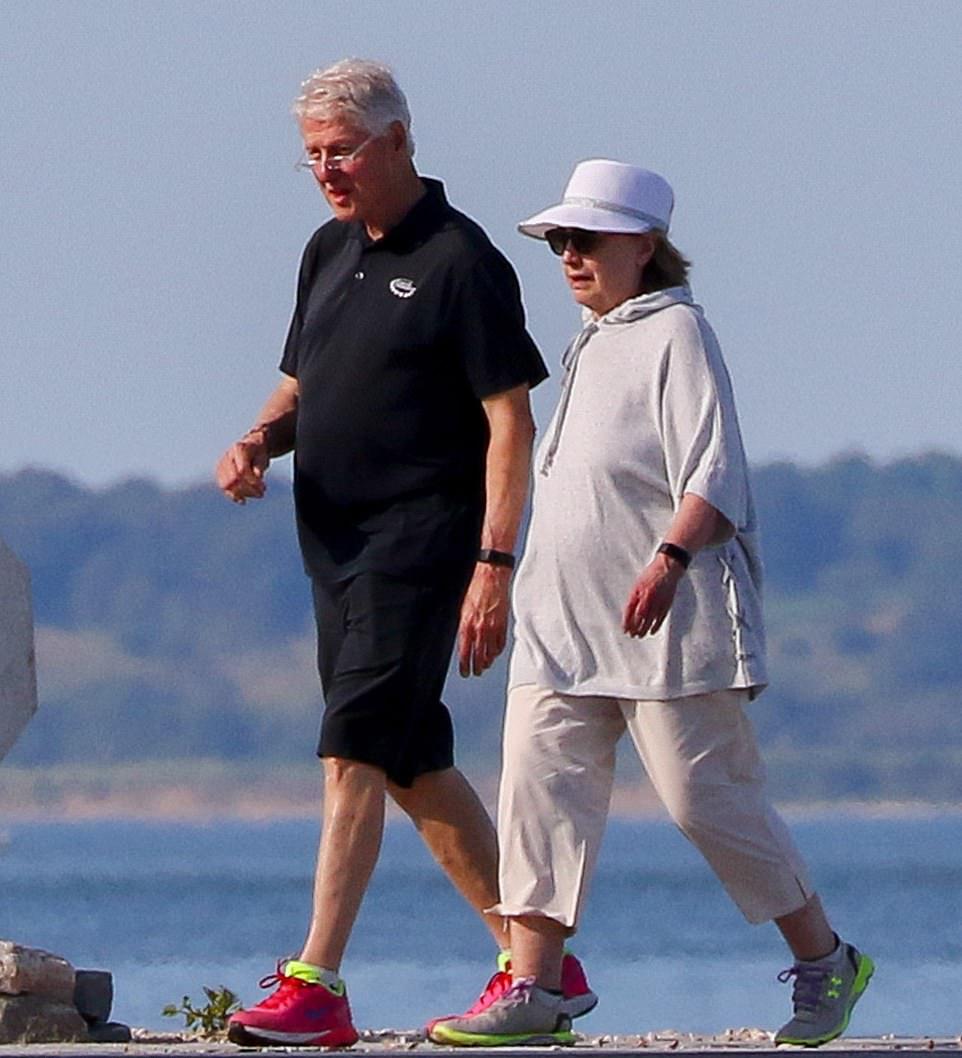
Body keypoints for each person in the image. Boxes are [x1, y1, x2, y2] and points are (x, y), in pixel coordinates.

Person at [427, 160, 874, 1048]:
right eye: (561, 241)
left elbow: (714, 473)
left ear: (644, 245)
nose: (570, 255)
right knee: (539, 793)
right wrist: (500, 575)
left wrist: (668, 559)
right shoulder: (590, 341)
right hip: (561, 622)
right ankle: (536, 987)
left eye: (587, 239)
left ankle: (827, 961)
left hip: (670, 622)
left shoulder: (677, 332)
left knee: (705, 799)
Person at [214, 60, 597, 1047]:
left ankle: (317, 985)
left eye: (341, 151)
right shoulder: (325, 251)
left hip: (422, 541)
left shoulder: (460, 259)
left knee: (352, 746)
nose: (326, 171)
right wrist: (257, 440)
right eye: (312, 156)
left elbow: (509, 420)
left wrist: (493, 565)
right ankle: (538, 965)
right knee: (410, 760)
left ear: (395, 141)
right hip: (331, 547)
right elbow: (302, 386)